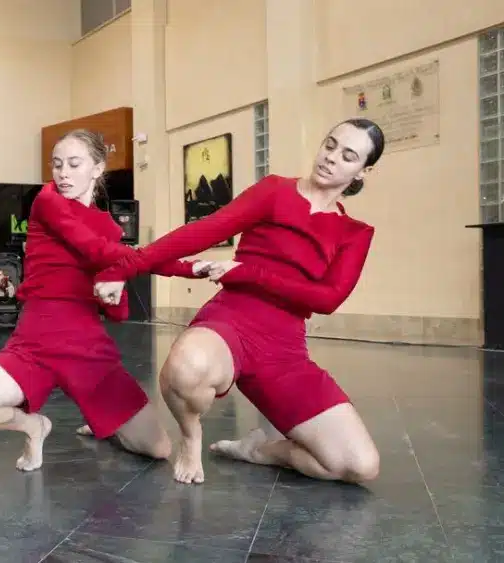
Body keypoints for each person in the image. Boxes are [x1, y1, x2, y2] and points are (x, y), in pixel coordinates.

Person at [93, 118, 385, 485]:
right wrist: (123, 269)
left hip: (284, 352)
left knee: (360, 465)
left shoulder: (354, 233)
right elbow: (201, 232)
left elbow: (328, 299)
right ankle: (191, 436)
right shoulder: (275, 191)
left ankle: (260, 451)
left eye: (348, 156)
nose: (331, 157)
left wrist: (247, 272)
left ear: (363, 171)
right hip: (229, 322)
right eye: (330, 144)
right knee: (186, 368)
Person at [0, 129, 204, 471]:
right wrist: (187, 268)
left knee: (158, 449)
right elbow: (97, 250)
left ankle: (104, 423)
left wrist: (114, 287)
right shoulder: (47, 201)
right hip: (34, 343)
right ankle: (34, 427)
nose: (63, 173)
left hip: (87, 351)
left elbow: (117, 309)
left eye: (74, 164)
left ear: (97, 168)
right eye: (57, 165)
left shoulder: (109, 228)